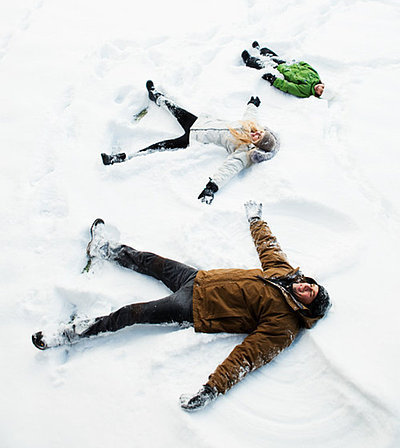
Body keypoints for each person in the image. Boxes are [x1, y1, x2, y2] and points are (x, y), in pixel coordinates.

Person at [32, 202, 331, 411]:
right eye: (310, 285)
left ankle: (70, 333)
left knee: (132, 313)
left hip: (194, 307)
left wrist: (212, 389)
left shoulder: (284, 326)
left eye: (308, 294)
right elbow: (268, 247)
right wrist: (256, 219)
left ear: (306, 308)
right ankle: (105, 250)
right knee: (150, 261)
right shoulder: (286, 274)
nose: (304, 287)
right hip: (199, 278)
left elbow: (248, 356)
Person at [101, 81, 280, 204]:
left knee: (158, 147)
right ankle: (155, 96)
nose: (256, 134)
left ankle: (123, 157)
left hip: (192, 139)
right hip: (198, 123)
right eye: (260, 132)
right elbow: (250, 115)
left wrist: (212, 186)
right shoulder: (252, 126)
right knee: (174, 108)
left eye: (258, 139)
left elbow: (230, 167)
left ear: (257, 146)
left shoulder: (244, 150)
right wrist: (253, 104)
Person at [242, 41, 325, 98]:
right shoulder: (315, 76)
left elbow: (288, 87)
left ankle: (248, 59)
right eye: (323, 88)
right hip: (287, 64)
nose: (319, 89)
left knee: (262, 63)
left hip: (279, 71)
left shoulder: (306, 91)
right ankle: (258, 50)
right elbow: (306, 65)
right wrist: (297, 63)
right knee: (268, 53)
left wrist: (273, 80)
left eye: (320, 92)